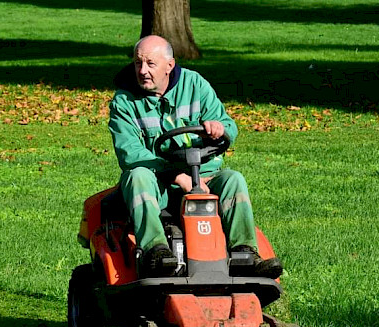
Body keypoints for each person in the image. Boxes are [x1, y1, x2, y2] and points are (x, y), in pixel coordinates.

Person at [108, 35, 282, 279]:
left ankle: (245, 253)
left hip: (203, 176)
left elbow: (228, 125)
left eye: (150, 64)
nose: (143, 71)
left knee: (233, 179)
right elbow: (130, 153)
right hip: (158, 182)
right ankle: (155, 251)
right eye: (138, 63)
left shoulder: (195, 85)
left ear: (170, 65)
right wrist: (177, 175)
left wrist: (221, 129)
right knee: (137, 176)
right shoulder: (124, 101)